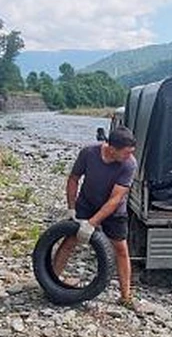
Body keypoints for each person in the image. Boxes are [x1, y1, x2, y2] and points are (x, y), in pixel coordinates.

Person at [53, 126, 138, 308]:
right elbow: (74, 178)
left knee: (121, 250)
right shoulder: (88, 153)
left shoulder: (129, 164)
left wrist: (92, 223)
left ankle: (126, 297)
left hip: (114, 212)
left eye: (132, 152)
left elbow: (115, 199)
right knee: (69, 242)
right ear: (111, 148)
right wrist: (71, 209)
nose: (130, 155)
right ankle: (51, 283)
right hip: (87, 203)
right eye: (126, 152)